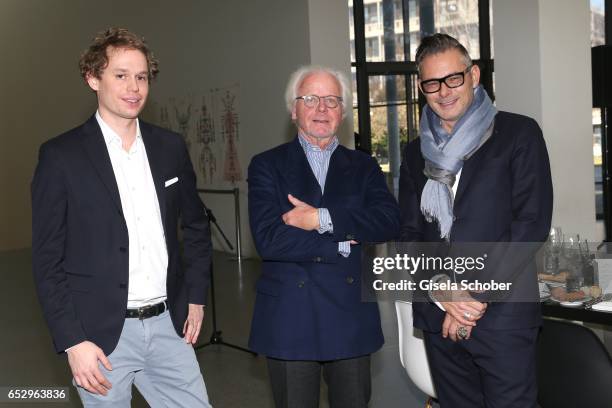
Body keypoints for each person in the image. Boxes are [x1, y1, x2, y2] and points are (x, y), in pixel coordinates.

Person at [31, 28, 213, 407]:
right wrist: (72, 341)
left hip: (168, 326)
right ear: (93, 78)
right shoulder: (60, 156)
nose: (134, 87)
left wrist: (196, 296)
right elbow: (47, 259)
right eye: (121, 75)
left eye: (142, 77)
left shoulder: (169, 147)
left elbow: (195, 225)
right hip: (98, 337)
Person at [398, 34, 553, 407]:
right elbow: (408, 234)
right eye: (432, 83)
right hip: (438, 319)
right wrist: (441, 293)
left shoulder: (519, 133)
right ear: (422, 87)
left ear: (474, 75)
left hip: (503, 318)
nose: (444, 91)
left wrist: (471, 297)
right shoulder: (414, 153)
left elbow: (530, 223)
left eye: (454, 78)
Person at [247, 65, 400, 408]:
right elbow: (270, 239)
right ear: (293, 108)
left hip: (349, 318)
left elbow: (388, 221)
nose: (321, 109)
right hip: (290, 318)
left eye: (332, 100)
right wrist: (344, 243)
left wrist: (321, 218)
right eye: (311, 99)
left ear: (343, 113)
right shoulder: (266, 165)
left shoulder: (364, 167)